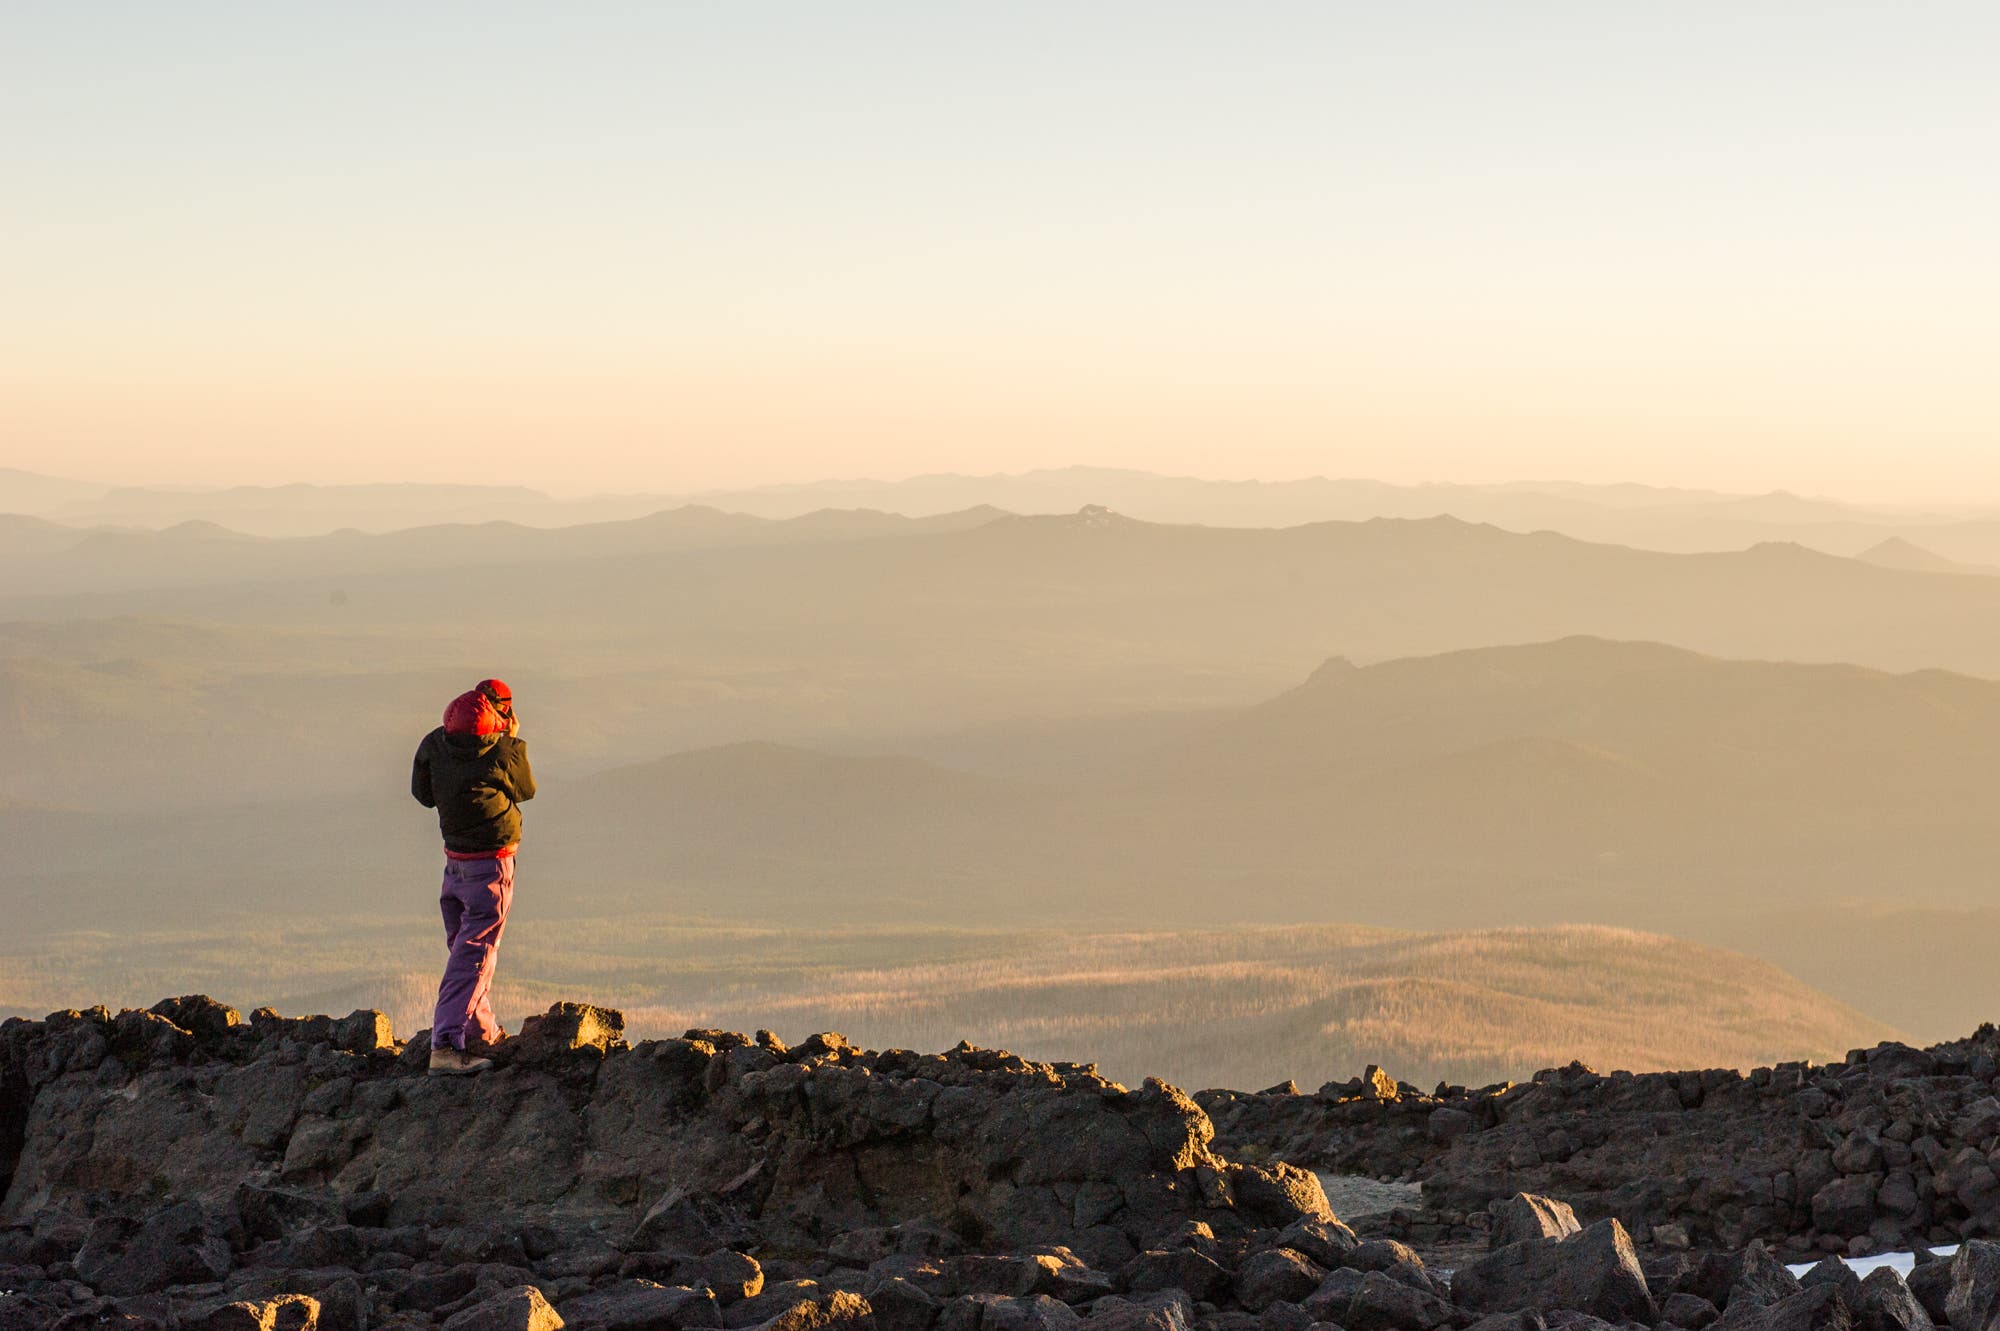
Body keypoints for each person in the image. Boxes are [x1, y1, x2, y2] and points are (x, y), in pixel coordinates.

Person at [410, 678, 536, 1076]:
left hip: (455, 865)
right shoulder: (499, 752)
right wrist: (511, 740)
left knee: (464, 950)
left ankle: (481, 1031)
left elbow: (423, 794)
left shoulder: (435, 745)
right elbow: (526, 789)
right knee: (476, 953)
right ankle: (446, 1046)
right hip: (491, 866)